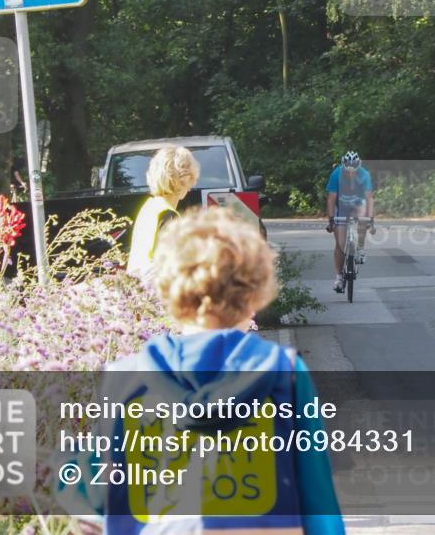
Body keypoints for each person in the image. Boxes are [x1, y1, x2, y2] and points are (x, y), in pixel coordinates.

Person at [56, 207, 345, 535]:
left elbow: (95, 489)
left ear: (168, 293)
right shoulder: (285, 373)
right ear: (254, 295)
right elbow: (318, 501)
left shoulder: (126, 376)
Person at [126, 146, 200, 282]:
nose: (191, 186)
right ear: (183, 178)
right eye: (191, 179)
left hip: (136, 286)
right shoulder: (168, 215)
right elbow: (171, 267)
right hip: (153, 291)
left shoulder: (150, 206)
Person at [325, 151, 374, 293]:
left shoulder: (365, 174)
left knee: (363, 216)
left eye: (355, 171)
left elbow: (369, 198)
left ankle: (360, 248)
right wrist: (331, 219)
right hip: (342, 207)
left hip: (359, 205)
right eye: (348, 171)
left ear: (359, 167)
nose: (351, 174)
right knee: (340, 245)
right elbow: (331, 198)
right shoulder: (336, 174)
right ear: (343, 167)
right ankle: (339, 277)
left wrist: (370, 218)